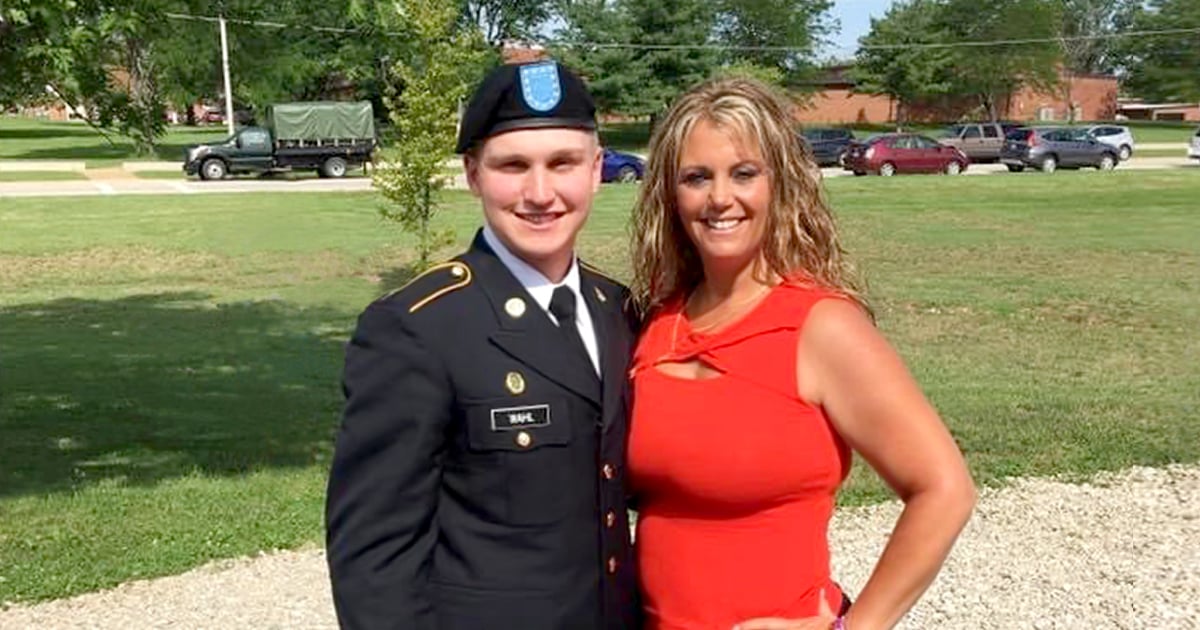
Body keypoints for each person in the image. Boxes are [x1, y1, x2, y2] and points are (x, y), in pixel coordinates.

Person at [626, 77, 976, 630]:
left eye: (744, 173)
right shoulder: (654, 322)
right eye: (697, 177)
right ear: (671, 194)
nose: (720, 198)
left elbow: (945, 489)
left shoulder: (822, 326)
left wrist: (851, 628)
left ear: (780, 184)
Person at [325, 60, 640, 630]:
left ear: (595, 170)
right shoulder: (416, 329)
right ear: (473, 174)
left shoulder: (616, 309)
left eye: (562, 163)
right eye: (512, 165)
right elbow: (374, 558)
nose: (539, 192)